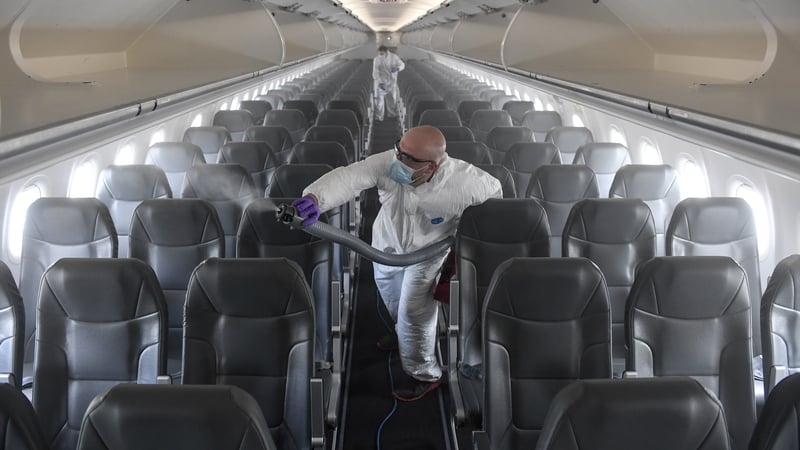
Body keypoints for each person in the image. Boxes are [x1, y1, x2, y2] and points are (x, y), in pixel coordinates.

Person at [292, 126, 502, 401]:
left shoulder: (468, 183)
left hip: (427, 256)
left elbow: (496, 201)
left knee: (414, 314)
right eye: (398, 151)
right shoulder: (390, 163)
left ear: (432, 166)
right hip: (386, 246)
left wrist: (464, 242)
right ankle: (402, 332)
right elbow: (350, 177)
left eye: (407, 159)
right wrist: (316, 198)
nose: (398, 161)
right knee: (391, 297)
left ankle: (424, 374)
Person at [372, 45, 405, 122]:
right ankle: (379, 118)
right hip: (381, 82)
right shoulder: (377, 59)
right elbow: (375, 72)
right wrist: (380, 83)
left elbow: (402, 65)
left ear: (387, 52)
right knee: (379, 102)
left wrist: (397, 68)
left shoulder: (394, 57)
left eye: (382, 54)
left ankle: (392, 116)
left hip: (391, 82)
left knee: (391, 100)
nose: (380, 55)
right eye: (379, 54)